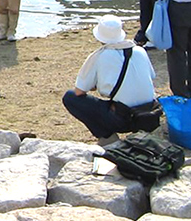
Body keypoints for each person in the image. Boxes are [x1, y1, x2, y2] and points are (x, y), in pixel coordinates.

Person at [62, 15, 156, 145]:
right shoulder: (140, 51)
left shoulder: (100, 55)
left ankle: (106, 136)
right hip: (149, 116)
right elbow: (150, 76)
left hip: (122, 119)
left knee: (70, 97)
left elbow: (79, 92)